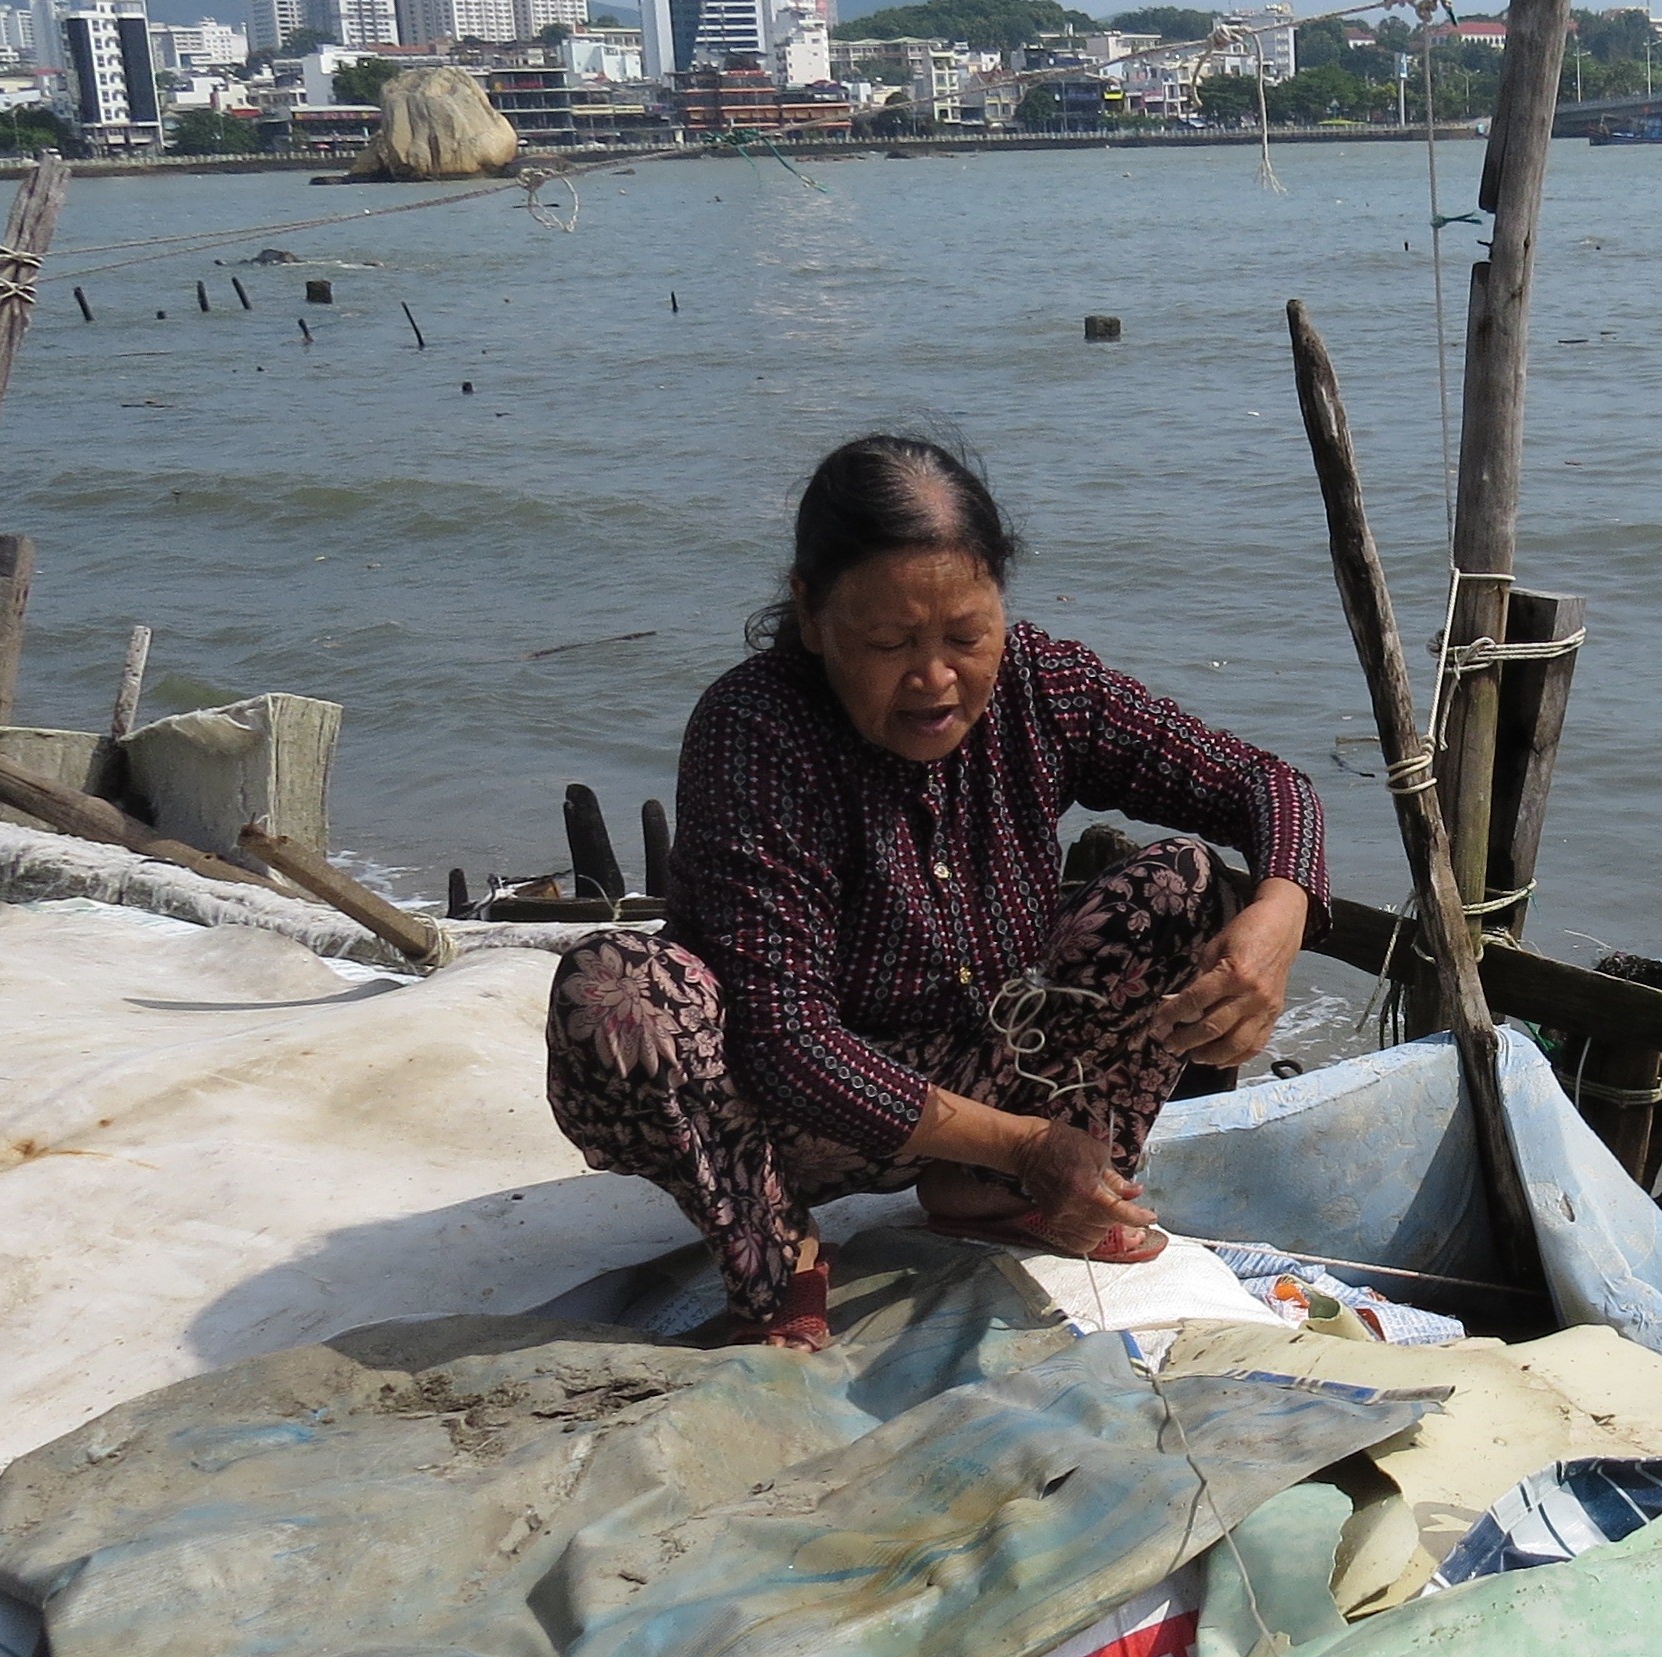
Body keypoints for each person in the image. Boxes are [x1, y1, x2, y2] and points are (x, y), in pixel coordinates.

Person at [545, 435, 1325, 1350]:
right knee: (617, 985)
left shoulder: (1043, 684)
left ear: (1000, 600)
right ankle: (779, 1248)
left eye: (966, 636)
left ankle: (986, 1196)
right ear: (809, 611)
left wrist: (1280, 915)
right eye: (888, 643)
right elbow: (787, 1041)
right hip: (782, 1116)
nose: (935, 678)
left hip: (992, 1066)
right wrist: (1028, 1144)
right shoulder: (754, 730)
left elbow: (1264, 784)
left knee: (1187, 884)